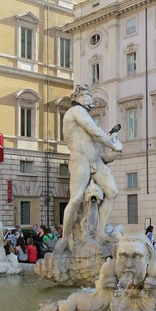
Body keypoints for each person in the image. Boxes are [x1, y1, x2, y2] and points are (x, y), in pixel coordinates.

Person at [55, 84, 123, 254]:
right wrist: (113, 143)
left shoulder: (85, 114)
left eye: (89, 95)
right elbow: (96, 133)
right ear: (76, 98)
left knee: (112, 192)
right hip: (80, 160)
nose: (89, 98)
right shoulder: (75, 111)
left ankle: (100, 232)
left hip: (95, 161)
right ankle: (64, 238)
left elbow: (99, 152)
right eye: (85, 94)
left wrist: (112, 153)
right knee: (76, 198)